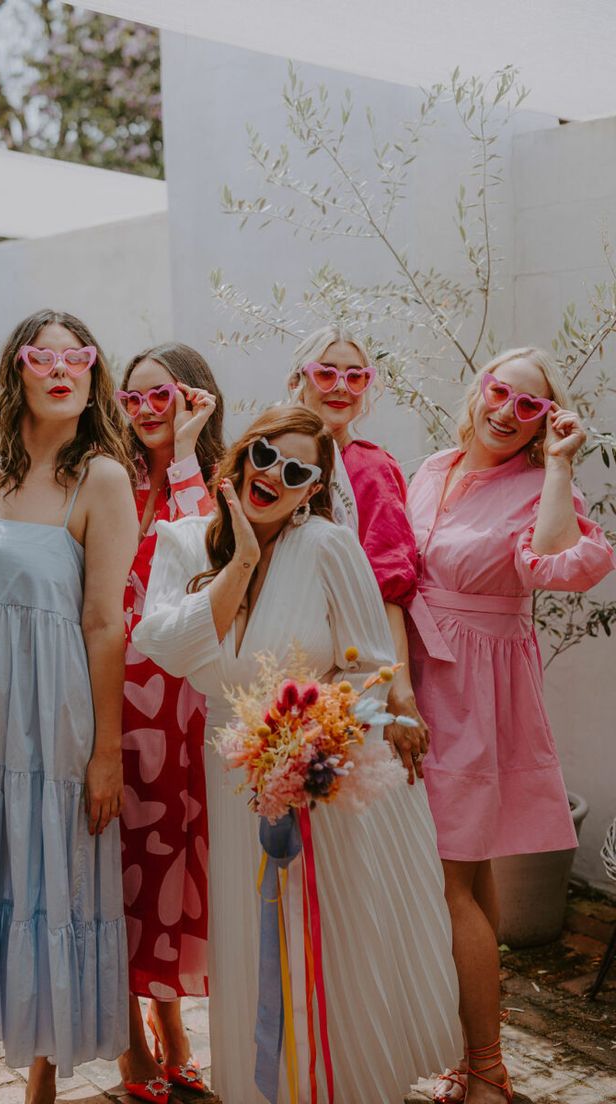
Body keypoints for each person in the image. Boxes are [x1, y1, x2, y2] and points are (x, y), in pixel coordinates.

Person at [133, 407, 460, 1104]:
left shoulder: (329, 547)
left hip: (320, 778)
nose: (272, 477)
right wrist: (242, 560)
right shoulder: (186, 541)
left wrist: (322, 738)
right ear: (241, 456)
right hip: (232, 772)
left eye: (296, 470)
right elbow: (163, 642)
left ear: (313, 487)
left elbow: (370, 667)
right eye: (263, 457)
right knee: (252, 935)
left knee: (327, 939)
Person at [406, 348, 616, 1103]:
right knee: (471, 875)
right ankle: (482, 1060)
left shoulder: (535, 484)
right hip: (415, 676)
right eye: (501, 392)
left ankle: (488, 1069)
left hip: (474, 693)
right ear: (479, 389)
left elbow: (560, 562)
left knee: (448, 880)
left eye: (530, 407)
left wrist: (559, 465)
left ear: (544, 423)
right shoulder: (431, 466)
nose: (507, 411)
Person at [0, 309, 138, 1104]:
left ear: (94, 374)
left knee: (45, 878)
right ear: (15, 369)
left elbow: (103, 623)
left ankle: (41, 1084)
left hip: (49, 722)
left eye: (79, 357)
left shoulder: (101, 478)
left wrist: (105, 752)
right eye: (42, 356)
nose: (62, 369)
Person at [115, 344, 224, 1104]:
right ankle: (134, 1046)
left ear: (197, 399)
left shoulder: (219, 479)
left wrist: (185, 454)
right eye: (136, 399)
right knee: (117, 868)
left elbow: (206, 562)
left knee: (168, 866)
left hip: (183, 701)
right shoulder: (106, 480)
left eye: (168, 396)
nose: (152, 410)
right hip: (110, 695)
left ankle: (175, 1027)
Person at [290, 325, 428, 785]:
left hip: (350, 666)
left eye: (356, 377)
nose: (341, 388)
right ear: (299, 380)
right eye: (326, 374)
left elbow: (389, 589)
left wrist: (400, 692)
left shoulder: (371, 469)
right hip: (283, 656)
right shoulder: (272, 460)